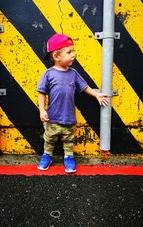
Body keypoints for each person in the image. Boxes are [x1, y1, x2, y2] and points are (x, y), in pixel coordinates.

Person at [37, 33, 109, 173]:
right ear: (57, 56)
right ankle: (47, 155)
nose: (73, 55)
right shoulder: (48, 74)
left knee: (69, 140)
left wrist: (96, 95)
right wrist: (42, 110)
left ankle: (68, 157)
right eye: (69, 52)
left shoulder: (73, 73)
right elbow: (41, 93)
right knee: (49, 139)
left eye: (73, 51)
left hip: (69, 117)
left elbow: (84, 87)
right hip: (52, 117)